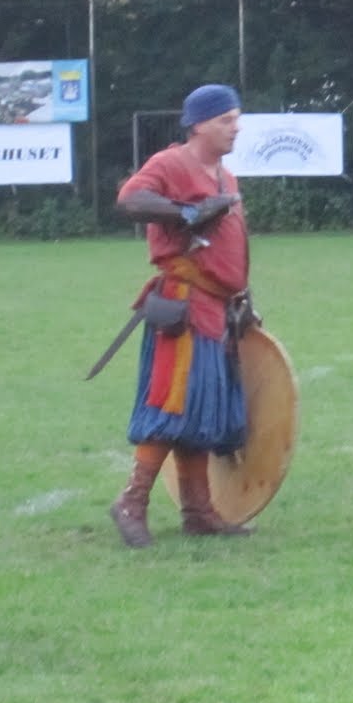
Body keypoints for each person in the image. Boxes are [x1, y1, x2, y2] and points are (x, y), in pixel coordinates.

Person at [107, 83, 256, 547]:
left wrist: (243, 297)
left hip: (217, 308)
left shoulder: (226, 177)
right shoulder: (171, 163)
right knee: (171, 408)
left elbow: (231, 246)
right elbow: (130, 200)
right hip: (184, 306)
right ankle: (131, 502)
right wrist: (187, 213)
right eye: (225, 120)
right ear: (198, 124)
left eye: (236, 118)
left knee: (199, 413)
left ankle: (198, 512)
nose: (236, 128)